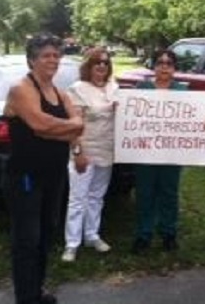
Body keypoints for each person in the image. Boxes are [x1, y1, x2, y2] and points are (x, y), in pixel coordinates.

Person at [3, 33, 84, 304]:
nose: (53, 60)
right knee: (27, 240)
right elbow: (40, 124)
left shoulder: (60, 93)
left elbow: (76, 125)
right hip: (26, 176)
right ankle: (26, 298)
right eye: (46, 55)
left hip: (55, 175)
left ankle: (36, 292)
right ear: (31, 60)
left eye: (56, 55)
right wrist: (63, 128)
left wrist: (71, 140)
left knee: (47, 234)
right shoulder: (21, 89)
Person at [61, 47, 118, 262]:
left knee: (97, 197)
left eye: (105, 62)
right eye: (97, 63)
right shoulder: (78, 89)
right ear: (89, 66)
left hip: (107, 150)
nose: (102, 66)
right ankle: (71, 244)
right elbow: (74, 126)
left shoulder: (115, 87)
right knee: (77, 199)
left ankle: (92, 235)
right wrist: (77, 152)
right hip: (85, 150)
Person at [131, 49, 187, 254]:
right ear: (154, 66)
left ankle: (168, 233)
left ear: (174, 68)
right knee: (145, 193)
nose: (164, 66)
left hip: (172, 153)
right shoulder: (141, 88)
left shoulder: (183, 91)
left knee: (169, 193)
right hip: (145, 152)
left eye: (169, 63)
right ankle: (143, 235)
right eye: (160, 63)